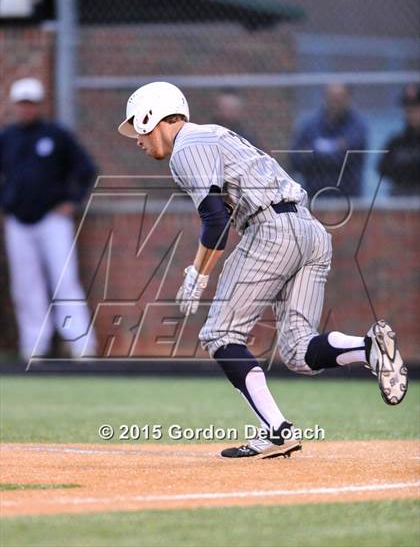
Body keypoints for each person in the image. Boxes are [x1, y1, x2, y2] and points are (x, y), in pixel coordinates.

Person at [118, 82, 407, 459]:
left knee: (220, 333)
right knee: (299, 352)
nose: (136, 138)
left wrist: (198, 272)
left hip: (270, 229)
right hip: (310, 230)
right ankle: (369, 349)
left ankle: (276, 430)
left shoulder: (186, 147)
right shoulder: (212, 135)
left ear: (152, 116)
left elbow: (215, 219)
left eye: (137, 127)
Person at [0, 78, 98, 361]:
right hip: (18, 221)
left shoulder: (57, 135)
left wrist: (72, 201)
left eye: (31, 103)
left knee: (64, 280)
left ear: (39, 104)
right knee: (25, 285)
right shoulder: (8, 138)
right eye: (22, 103)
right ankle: (34, 347)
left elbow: (86, 168)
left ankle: (81, 346)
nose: (26, 109)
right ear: (16, 105)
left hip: (53, 221)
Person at [290, 84, 367, 198]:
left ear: (348, 99)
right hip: (314, 196)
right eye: (332, 97)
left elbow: (348, 157)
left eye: (339, 98)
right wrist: (337, 148)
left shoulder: (357, 126)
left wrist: (314, 153)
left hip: (348, 198)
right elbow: (295, 159)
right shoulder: (310, 126)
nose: (335, 102)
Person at [378, 84, 420, 195]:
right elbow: (382, 168)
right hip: (400, 197)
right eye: (407, 106)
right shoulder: (396, 141)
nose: (410, 110)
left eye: (415, 106)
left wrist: (404, 165)